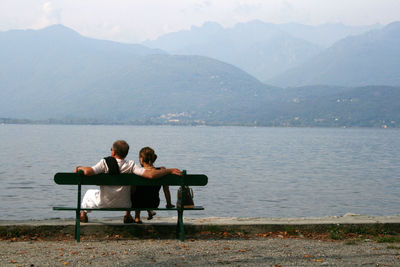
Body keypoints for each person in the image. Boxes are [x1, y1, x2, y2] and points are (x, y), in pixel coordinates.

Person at [76, 140, 181, 223]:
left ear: (113, 152)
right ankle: (127, 215)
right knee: (129, 191)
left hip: (104, 202)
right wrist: (169, 170)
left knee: (90, 192)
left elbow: (88, 172)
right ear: (126, 153)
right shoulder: (131, 165)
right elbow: (151, 175)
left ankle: (83, 213)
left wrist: (79, 167)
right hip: (125, 204)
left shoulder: (104, 163)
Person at [125, 147, 175, 224]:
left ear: (141, 159)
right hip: (153, 203)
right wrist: (168, 203)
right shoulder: (162, 171)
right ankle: (144, 214)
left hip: (136, 204)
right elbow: (166, 189)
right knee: (145, 193)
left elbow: (132, 191)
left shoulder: (137, 172)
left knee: (136, 193)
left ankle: (136, 217)